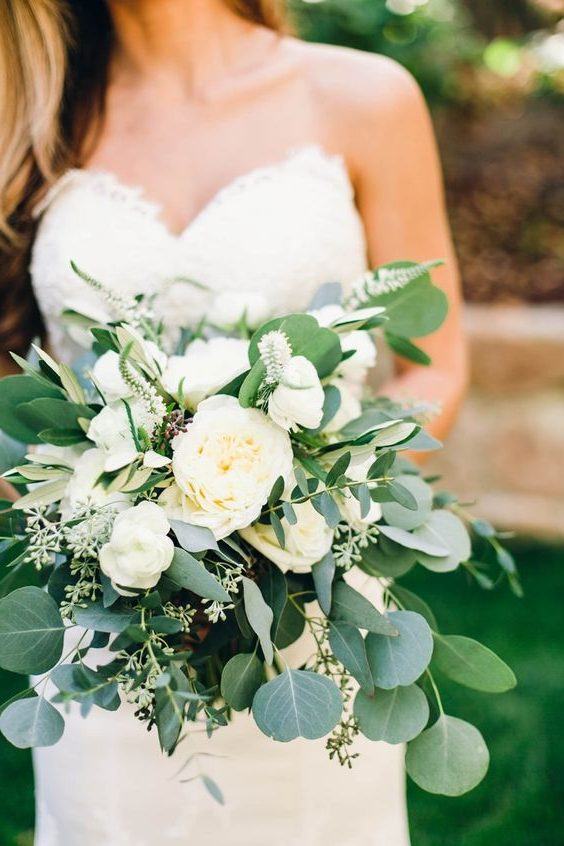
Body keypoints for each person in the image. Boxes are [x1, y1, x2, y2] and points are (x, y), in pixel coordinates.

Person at [0, 2, 467, 844]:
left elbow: (438, 366)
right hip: (115, 623)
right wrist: (97, 529)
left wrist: (315, 510)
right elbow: (11, 385)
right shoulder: (24, 115)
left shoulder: (366, 95)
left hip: (316, 615)